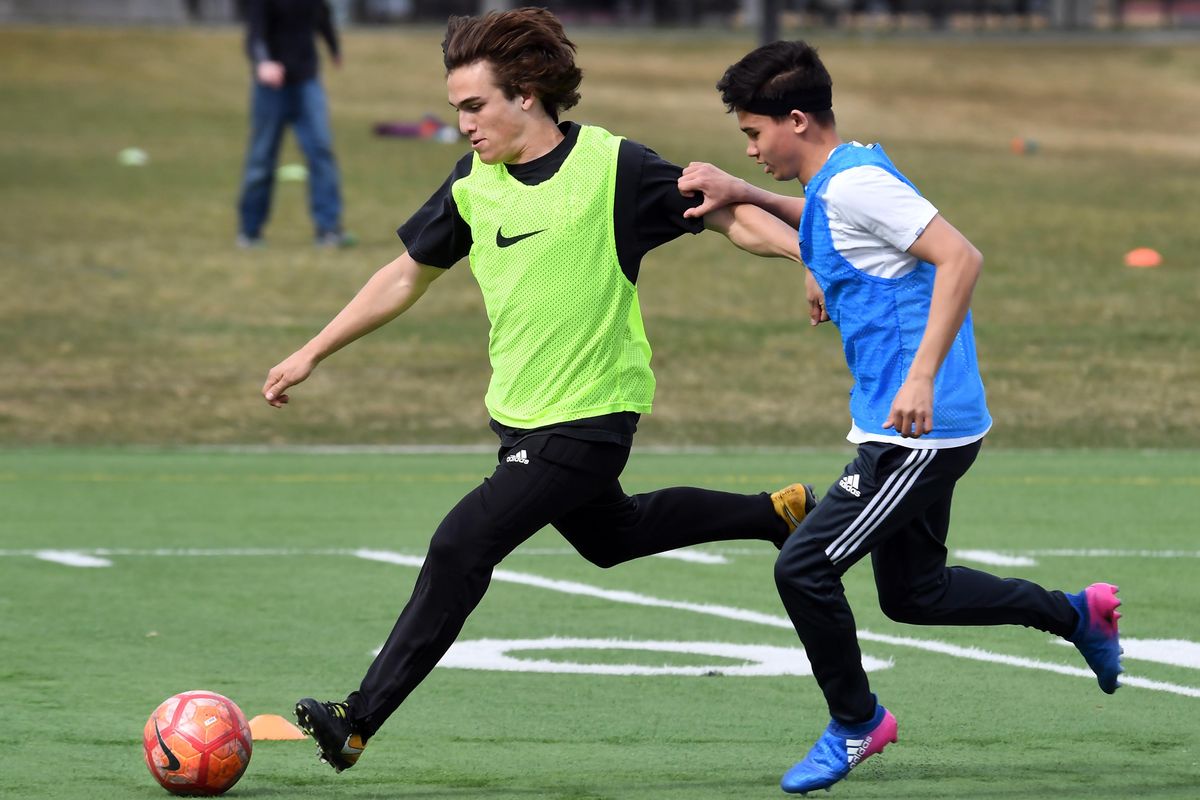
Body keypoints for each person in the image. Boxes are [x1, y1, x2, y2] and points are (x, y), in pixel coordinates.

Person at [261, 8, 819, 775]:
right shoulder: (473, 185)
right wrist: (313, 350)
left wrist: (808, 257)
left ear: (526, 93)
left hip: (589, 417)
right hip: (522, 419)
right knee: (611, 537)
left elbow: (727, 217)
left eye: (472, 106)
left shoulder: (613, 168)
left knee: (462, 543)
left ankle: (357, 720)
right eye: (457, 107)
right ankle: (774, 514)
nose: (461, 124)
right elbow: (403, 274)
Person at [679, 40, 1124, 795]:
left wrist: (918, 378)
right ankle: (1079, 616)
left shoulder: (855, 187)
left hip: (917, 431)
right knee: (914, 594)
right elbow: (834, 220)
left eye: (754, 135)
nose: (750, 149)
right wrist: (746, 195)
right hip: (922, 426)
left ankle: (857, 724)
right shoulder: (841, 177)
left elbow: (961, 257)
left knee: (804, 567)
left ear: (796, 119)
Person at [237, 0, 352, 248]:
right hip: (271, 87)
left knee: (320, 150)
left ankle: (328, 229)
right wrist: (262, 62)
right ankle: (249, 232)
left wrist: (334, 48)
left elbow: (322, 17)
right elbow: (255, 34)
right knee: (262, 158)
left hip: (306, 82)